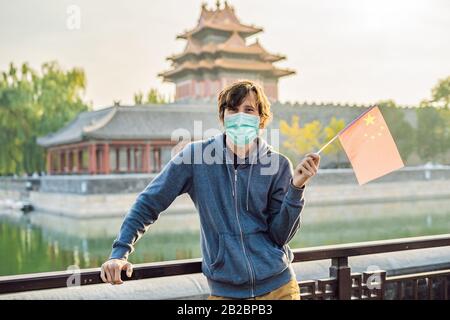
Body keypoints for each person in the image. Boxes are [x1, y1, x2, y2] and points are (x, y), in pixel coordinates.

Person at [100, 80, 320, 300]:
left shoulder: (278, 165)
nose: (240, 116)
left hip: (279, 287)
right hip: (226, 292)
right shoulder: (195, 157)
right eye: (232, 109)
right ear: (222, 116)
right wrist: (120, 252)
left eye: (249, 110)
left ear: (261, 120)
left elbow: (280, 236)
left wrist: (296, 188)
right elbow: (148, 203)